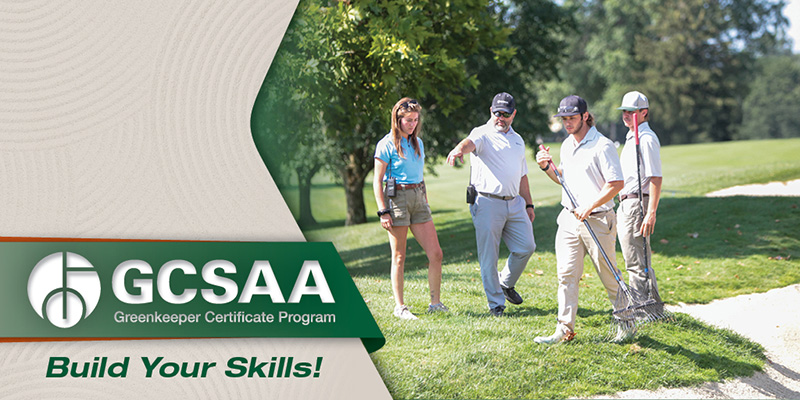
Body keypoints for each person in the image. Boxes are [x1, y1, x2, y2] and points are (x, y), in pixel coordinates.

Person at [534, 95, 632, 343]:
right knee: (566, 275)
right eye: (564, 119)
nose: (567, 123)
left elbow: (616, 184)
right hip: (569, 219)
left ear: (585, 116)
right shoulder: (567, 145)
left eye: (572, 118)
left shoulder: (603, 145)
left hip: (598, 220)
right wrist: (548, 167)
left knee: (609, 275)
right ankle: (564, 330)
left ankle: (626, 321)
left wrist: (590, 206)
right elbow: (563, 181)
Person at [446, 92, 536, 317]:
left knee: (527, 246)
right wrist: (458, 149)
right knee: (489, 256)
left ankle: (506, 283)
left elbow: (522, 175)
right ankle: (496, 305)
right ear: (491, 111)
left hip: (514, 202)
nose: (500, 117)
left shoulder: (518, 139)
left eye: (506, 114)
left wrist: (529, 204)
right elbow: (469, 143)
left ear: (513, 114)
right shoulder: (482, 133)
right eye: (497, 113)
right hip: (487, 202)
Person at [374, 97, 447, 320]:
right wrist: (383, 211)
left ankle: (435, 304)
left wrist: (424, 197)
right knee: (399, 256)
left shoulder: (418, 143)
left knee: (436, 254)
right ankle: (400, 307)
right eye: (408, 120)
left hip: (418, 198)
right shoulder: (386, 144)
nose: (412, 124)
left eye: (415, 120)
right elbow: (377, 181)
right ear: (397, 119)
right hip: (397, 199)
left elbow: (420, 174)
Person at [616, 91, 663, 308]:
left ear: (643, 113)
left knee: (636, 261)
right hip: (627, 202)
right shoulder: (632, 136)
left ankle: (644, 310)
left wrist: (651, 212)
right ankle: (652, 307)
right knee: (636, 259)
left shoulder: (645, 138)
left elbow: (655, 177)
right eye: (624, 111)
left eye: (631, 112)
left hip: (636, 204)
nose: (626, 115)